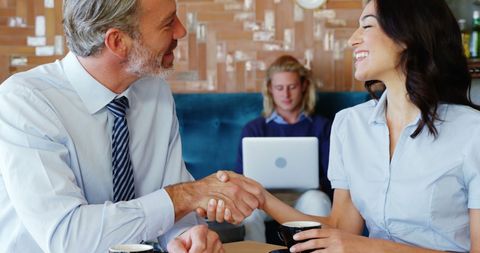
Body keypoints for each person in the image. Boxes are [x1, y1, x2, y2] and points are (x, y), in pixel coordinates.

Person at [213, 0, 480, 252]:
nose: (353, 39)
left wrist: (369, 247)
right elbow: (341, 227)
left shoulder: (472, 131)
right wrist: (261, 197)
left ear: (407, 34)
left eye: (366, 25)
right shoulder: (349, 124)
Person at [0, 0, 263, 252]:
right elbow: (68, 239)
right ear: (117, 41)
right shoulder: (25, 101)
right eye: (168, 22)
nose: (181, 31)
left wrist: (186, 236)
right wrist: (186, 196)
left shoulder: (154, 90)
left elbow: (171, 198)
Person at [233, 55, 332, 242]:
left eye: (292, 87)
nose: (286, 95)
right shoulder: (254, 128)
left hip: (306, 196)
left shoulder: (322, 126)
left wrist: (318, 183)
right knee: (249, 213)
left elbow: (332, 176)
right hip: (263, 199)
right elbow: (241, 177)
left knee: (318, 200)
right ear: (270, 89)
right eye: (279, 88)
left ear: (303, 86)